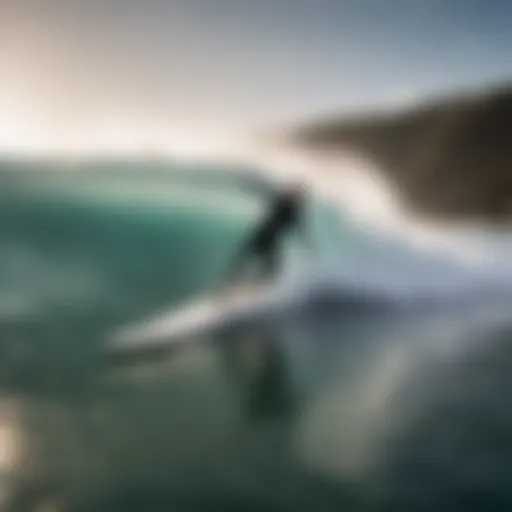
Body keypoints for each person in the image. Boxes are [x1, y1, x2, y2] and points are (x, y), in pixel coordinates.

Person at [224, 180, 311, 284]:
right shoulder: (286, 205)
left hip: (268, 238)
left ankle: (249, 281)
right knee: (254, 260)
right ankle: (234, 279)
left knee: (264, 263)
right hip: (265, 235)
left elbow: (298, 228)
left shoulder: (290, 208)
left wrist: (306, 245)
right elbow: (297, 228)